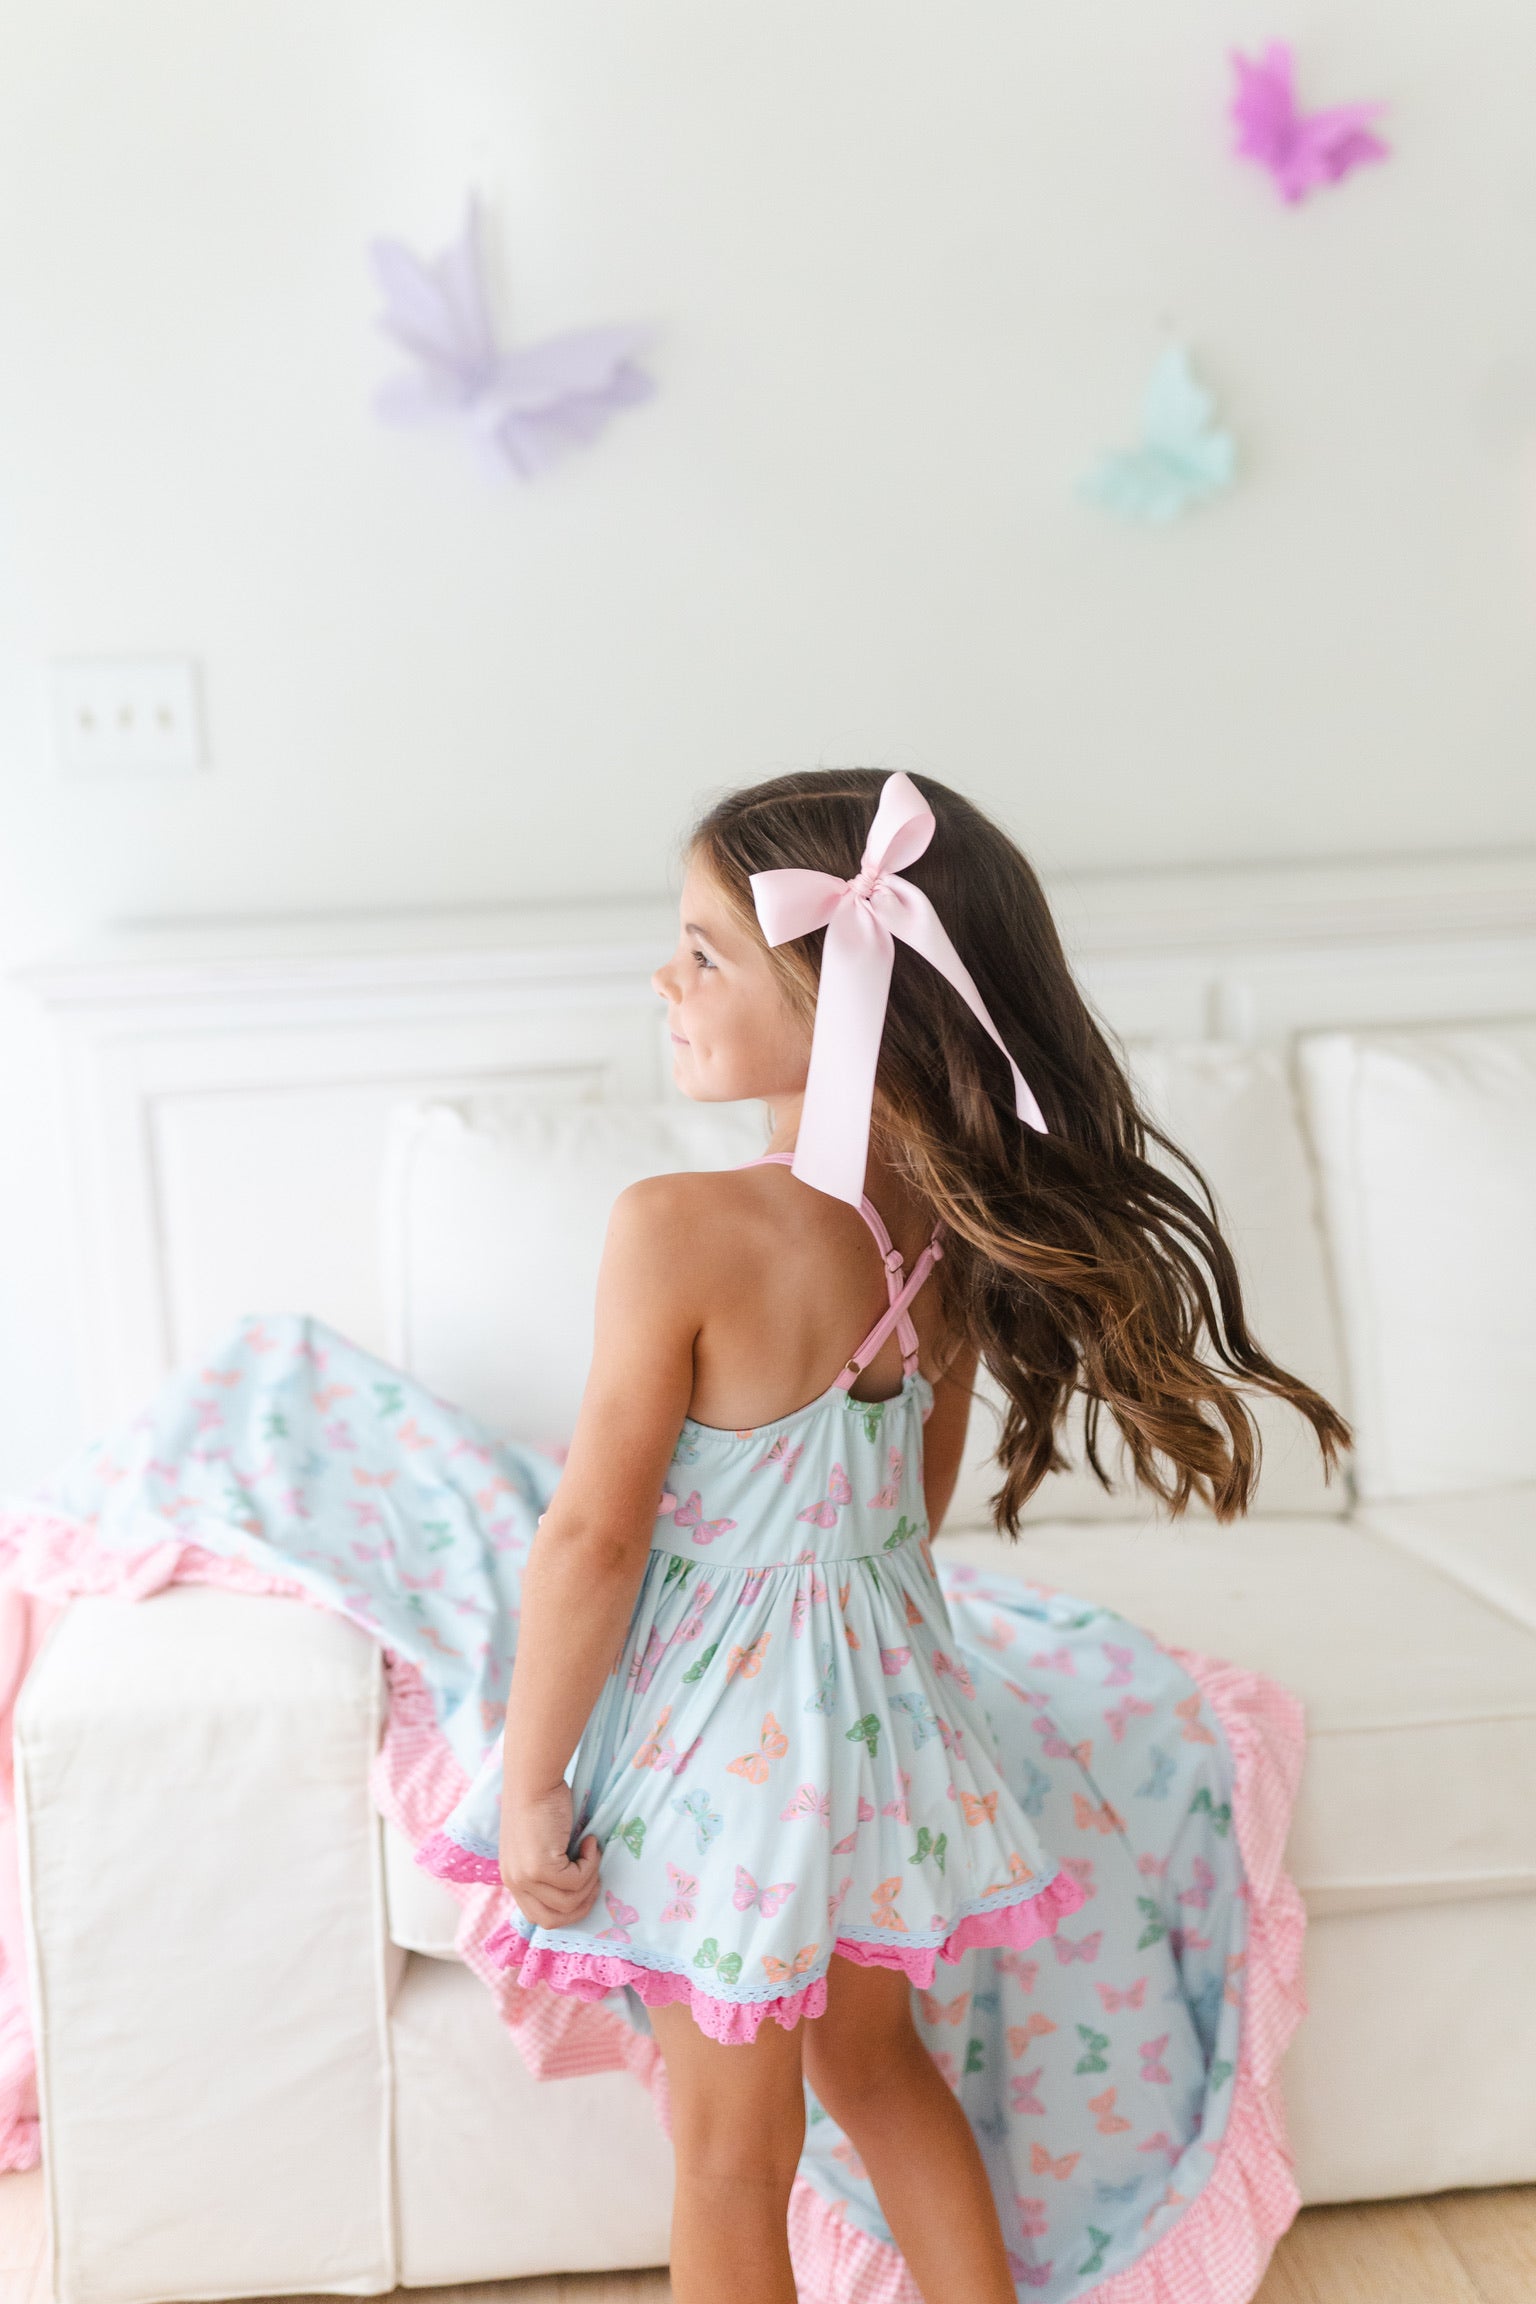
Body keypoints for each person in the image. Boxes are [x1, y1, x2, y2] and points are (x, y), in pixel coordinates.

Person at [486, 769, 1347, 2304]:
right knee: (880, 2077)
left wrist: (533, 1778)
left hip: (718, 1751)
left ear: (840, 998)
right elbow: (906, 1520)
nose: (665, 980)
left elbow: (591, 1543)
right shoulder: (947, 1233)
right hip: (883, 1738)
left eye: (704, 952)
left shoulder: (680, 1227)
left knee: (729, 2157)